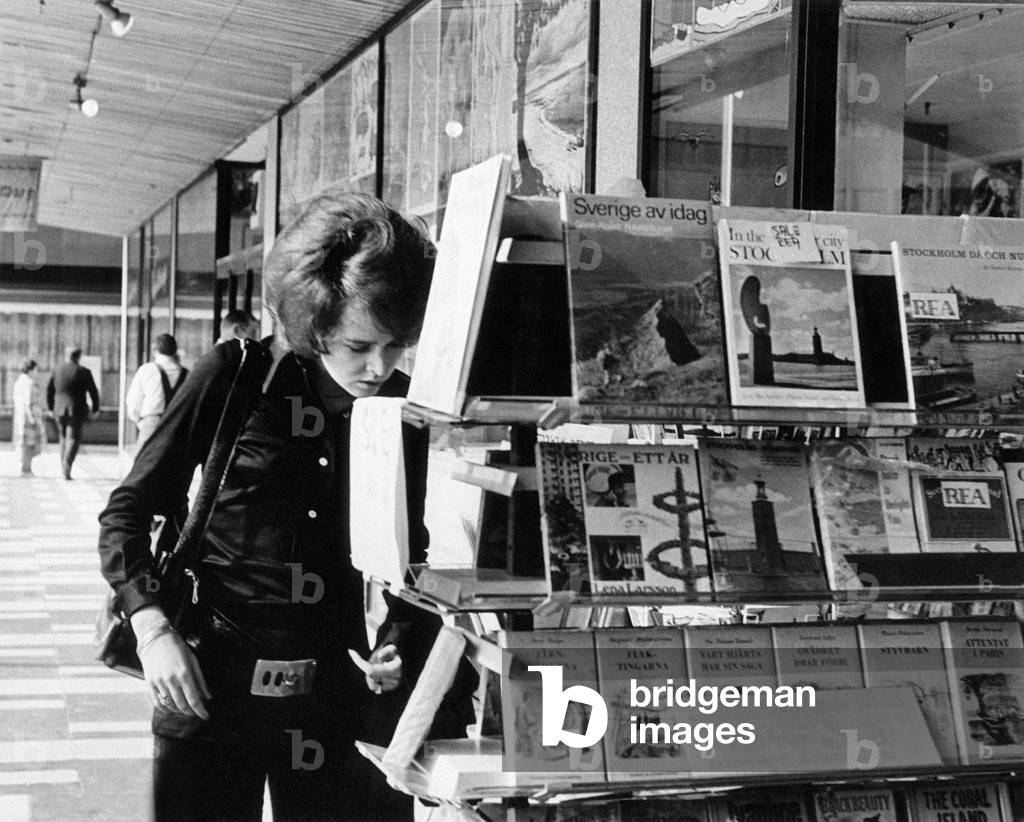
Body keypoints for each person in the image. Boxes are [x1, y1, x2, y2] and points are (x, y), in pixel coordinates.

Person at [98, 191, 473, 822]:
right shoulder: (232, 377)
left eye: (396, 344)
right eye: (359, 346)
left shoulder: (397, 408)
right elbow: (131, 509)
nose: (380, 366)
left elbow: (409, 547)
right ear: (315, 322)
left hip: (337, 693)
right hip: (208, 681)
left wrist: (400, 639)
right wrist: (153, 628)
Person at [125, 334, 188, 454]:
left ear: (155, 350)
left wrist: (140, 421)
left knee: (142, 468)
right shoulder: (187, 374)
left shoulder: (147, 370)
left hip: (151, 424)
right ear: (175, 351)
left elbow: (132, 401)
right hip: (178, 427)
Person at [46, 345, 100, 480]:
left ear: (66, 355)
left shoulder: (57, 369)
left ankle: (63, 465)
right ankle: (66, 467)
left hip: (59, 409)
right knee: (73, 439)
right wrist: (95, 409)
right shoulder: (84, 371)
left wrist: (51, 407)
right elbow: (93, 392)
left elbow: (49, 390)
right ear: (79, 357)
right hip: (76, 410)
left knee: (63, 437)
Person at [12, 358, 46, 477]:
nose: (37, 372)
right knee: (30, 444)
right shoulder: (28, 382)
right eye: (36, 369)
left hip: (21, 417)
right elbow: (27, 402)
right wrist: (32, 417)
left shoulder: (19, 381)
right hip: (29, 417)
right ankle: (26, 469)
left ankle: (26, 468)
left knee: (25, 443)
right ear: (30, 370)